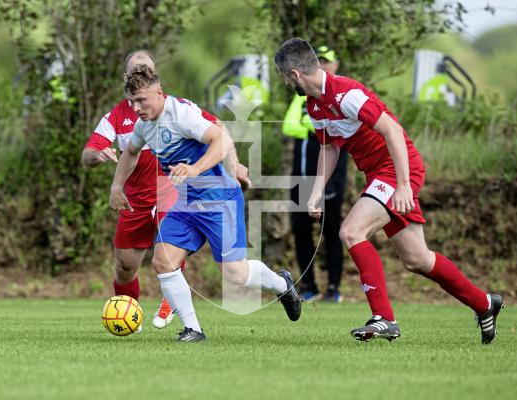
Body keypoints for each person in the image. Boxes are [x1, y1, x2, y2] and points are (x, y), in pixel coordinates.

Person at [274, 38, 503, 344]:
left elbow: (392, 130)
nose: (286, 83)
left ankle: (384, 318)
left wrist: (405, 184)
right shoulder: (314, 105)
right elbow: (329, 148)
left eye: (284, 77)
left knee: (351, 231)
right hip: (378, 175)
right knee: (417, 259)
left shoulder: (346, 94)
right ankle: (485, 304)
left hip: (397, 170)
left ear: (295, 74)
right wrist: (315, 192)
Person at [109, 64, 301, 342]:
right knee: (162, 261)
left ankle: (281, 283)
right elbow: (130, 152)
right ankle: (193, 330)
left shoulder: (181, 115)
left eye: (142, 100)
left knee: (236, 274)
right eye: (132, 101)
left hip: (218, 200)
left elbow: (221, 140)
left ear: (159, 94)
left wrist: (195, 169)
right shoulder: (144, 126)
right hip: (186, 205)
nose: (137, 107)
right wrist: (117, 186)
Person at [82, 51, 249, 330]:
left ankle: (177, 309)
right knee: (124, 265)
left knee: (169, 252)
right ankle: (128, 316)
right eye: (137, 71)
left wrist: (235, 164)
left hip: (171, 189)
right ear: (128, 78)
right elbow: (90, 152)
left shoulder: (176, 108)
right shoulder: (119, 115)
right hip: (135, 199)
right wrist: (98, 158)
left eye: (147, 70)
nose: (142, 74)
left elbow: (218, 130)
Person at [282, 45, 348, 303]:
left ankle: (334, 287)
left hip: (332, 173)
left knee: (331, 229)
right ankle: (308, 285)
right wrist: (311, 127)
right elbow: (290, 126)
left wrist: (313, 127)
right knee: (300, 229)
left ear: (335, 65)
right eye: (319, 60)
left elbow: (335, 134)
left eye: (327, 61)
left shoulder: (338, 96)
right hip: (302, 175)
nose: (323, 65)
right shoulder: (303, 98)